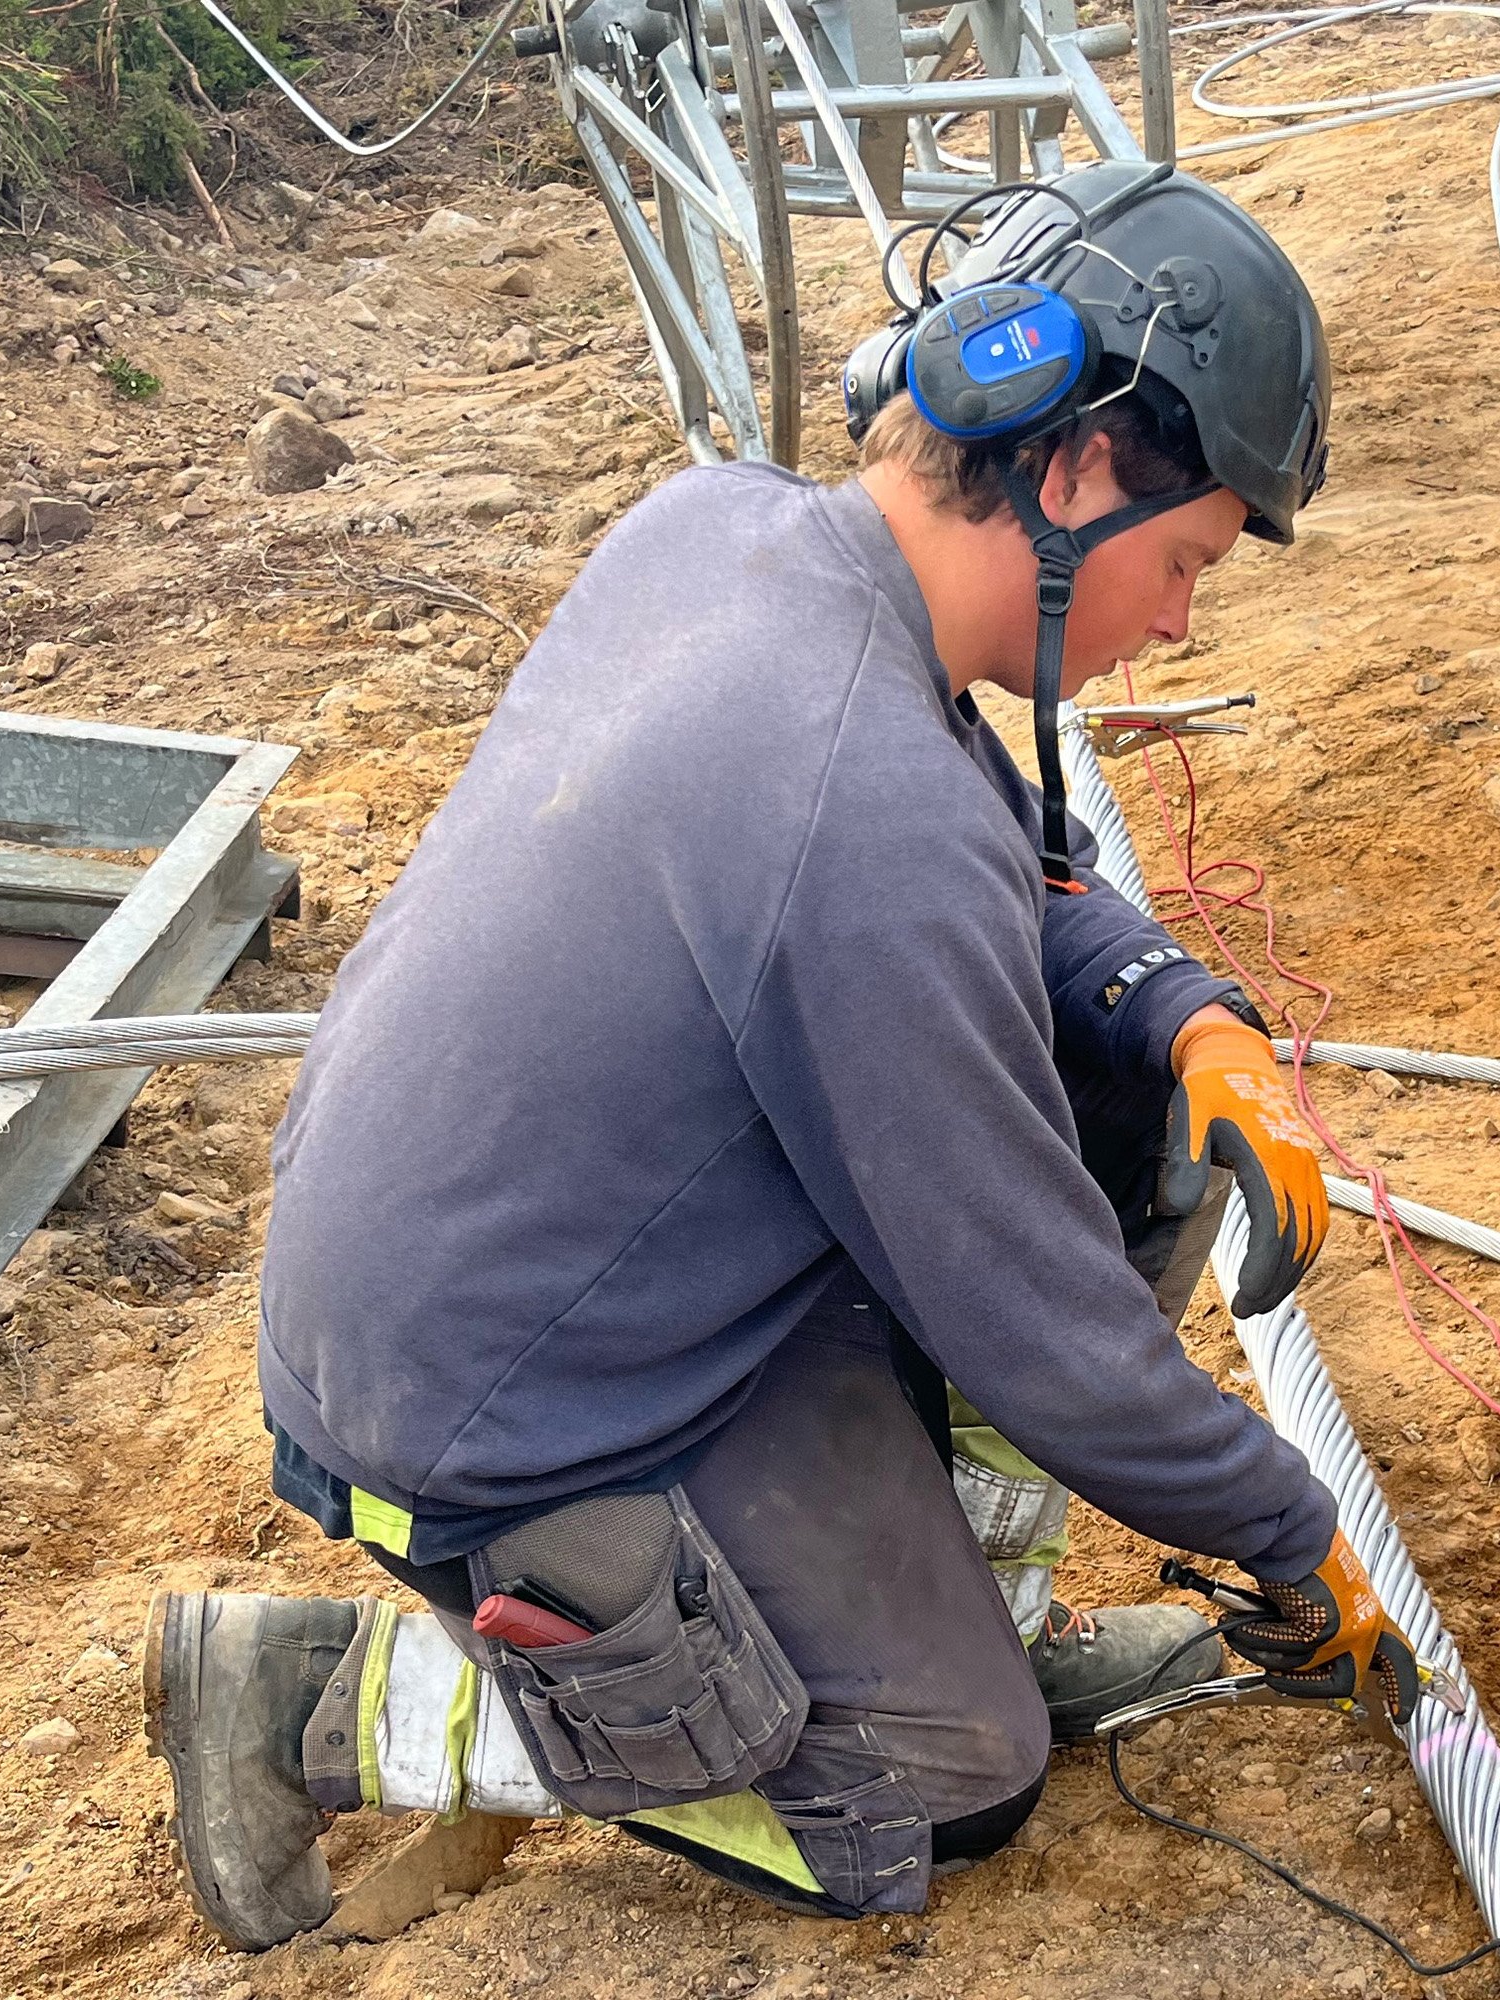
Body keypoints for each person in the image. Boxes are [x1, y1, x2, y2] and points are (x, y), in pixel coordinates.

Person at [142, 161, 1420, 1947]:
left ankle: (978, 1599)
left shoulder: (735, 529)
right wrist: (1289, 1532)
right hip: (503, 1412)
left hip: (604, 1287)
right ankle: (304, 1697)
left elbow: (1003, 876)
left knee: (1125, 1090)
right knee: (942, 1768)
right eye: (1190, 559)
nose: (1182, 622)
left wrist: (1180, 1012)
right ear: (1071, 474)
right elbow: (1025, 1307)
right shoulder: (853, 801)